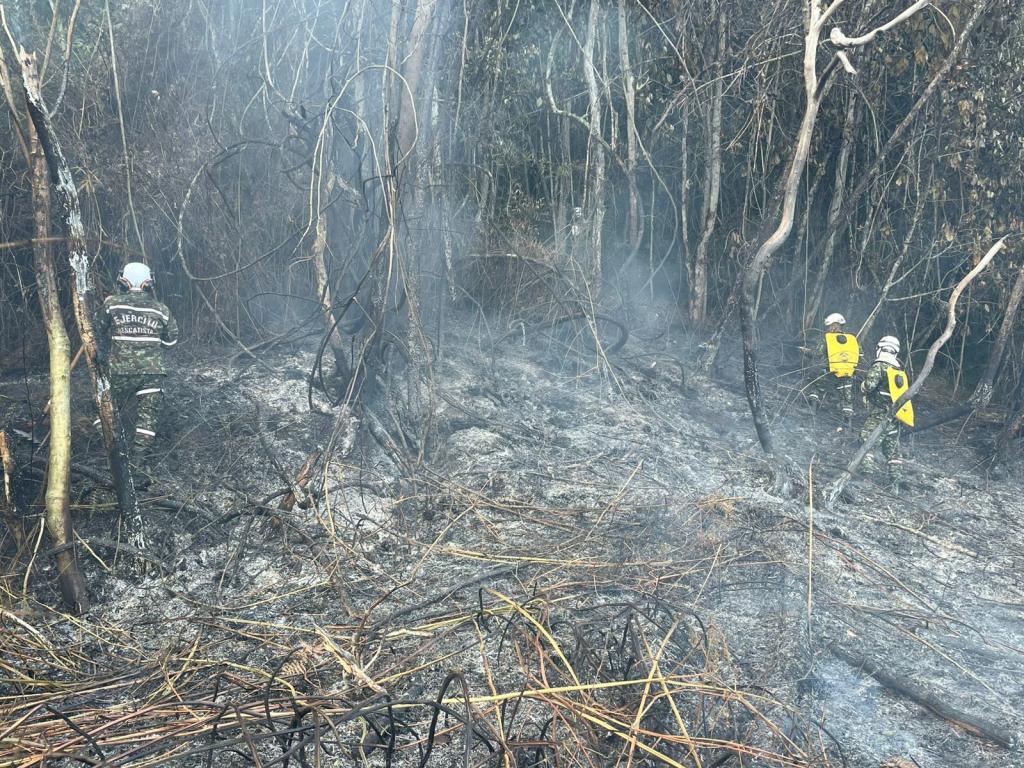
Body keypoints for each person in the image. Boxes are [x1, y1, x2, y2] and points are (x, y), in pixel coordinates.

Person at [95, 262, 178, 466]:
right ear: (148, 282)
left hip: (119, 371)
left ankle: (110, 451)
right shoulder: (161, 309)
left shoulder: (112, 304)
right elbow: (171, 341)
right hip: (152, 373)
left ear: (124, 280)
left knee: (106, 408)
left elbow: (97, 329)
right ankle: (138, 463)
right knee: (147, 419)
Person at [860, 335, 905, 495]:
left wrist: (863, 386)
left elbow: (870, 386)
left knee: (867, 440)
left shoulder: (879, 366)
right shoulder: (898, 370)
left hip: (880, 413)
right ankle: (895, 485)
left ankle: (865, 478)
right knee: (893, 450)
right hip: (896, 415)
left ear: (880, 348)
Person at [806, 312, 858, 429]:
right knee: (847, 398)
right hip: (847, 374)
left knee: (816, 384)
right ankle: (847, 424)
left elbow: (818, 353)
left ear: (835, 326)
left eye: (830, 326)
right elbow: (859, 354)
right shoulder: (852, 339)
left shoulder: (828, 338)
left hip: (831, 373)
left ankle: (812, 409)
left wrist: (806, 351)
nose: (829, 329)